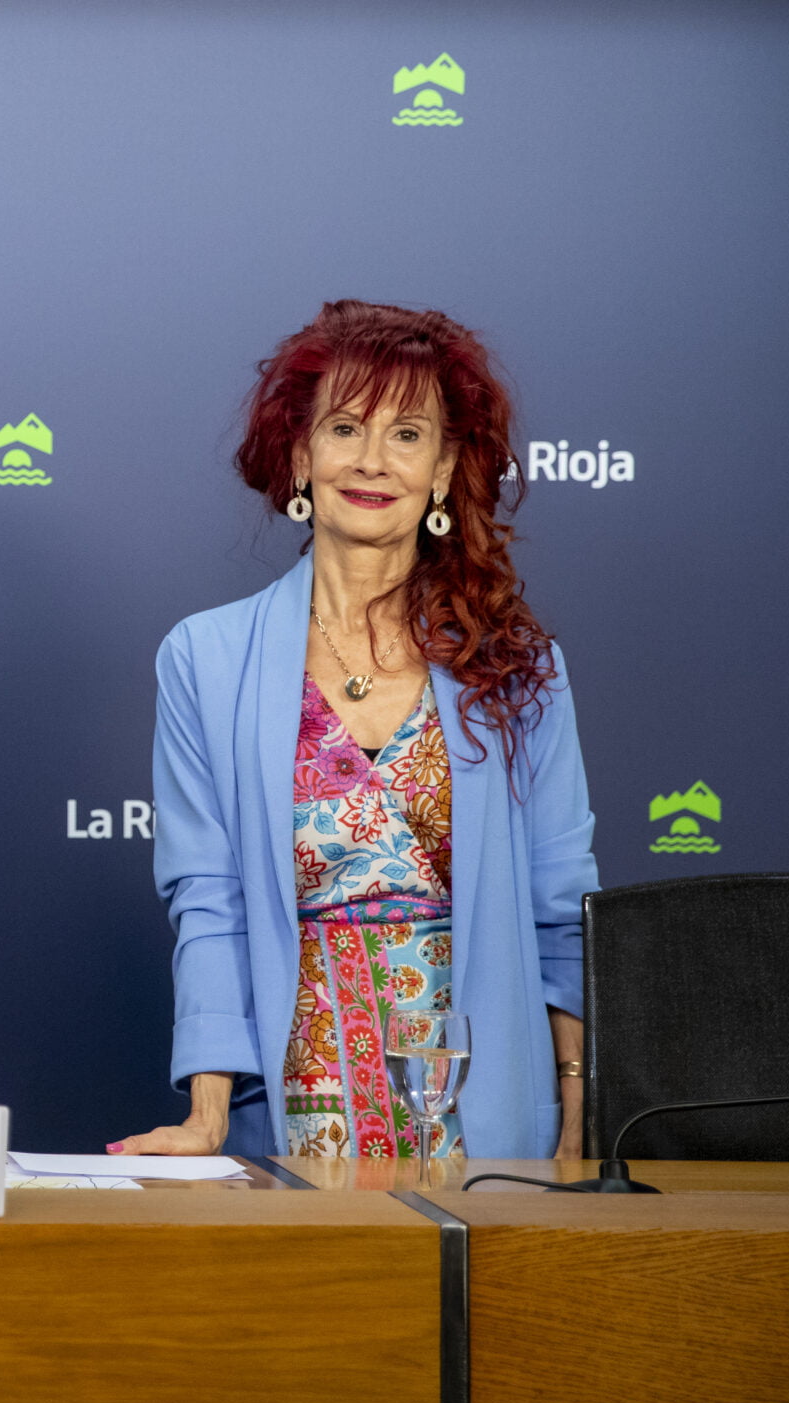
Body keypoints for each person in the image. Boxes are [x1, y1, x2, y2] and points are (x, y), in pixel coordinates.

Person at [117, 300, 599, 1161]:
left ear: (446, 468)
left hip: (487, 1103)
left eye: (408, 435)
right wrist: (209, 1114)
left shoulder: (518, 665)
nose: (373, 460)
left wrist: (575, 1104)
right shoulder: (206, 658)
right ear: (301, 454)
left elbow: (560, 905)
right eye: (345, 427)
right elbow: (209, 899)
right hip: (296, 1105)